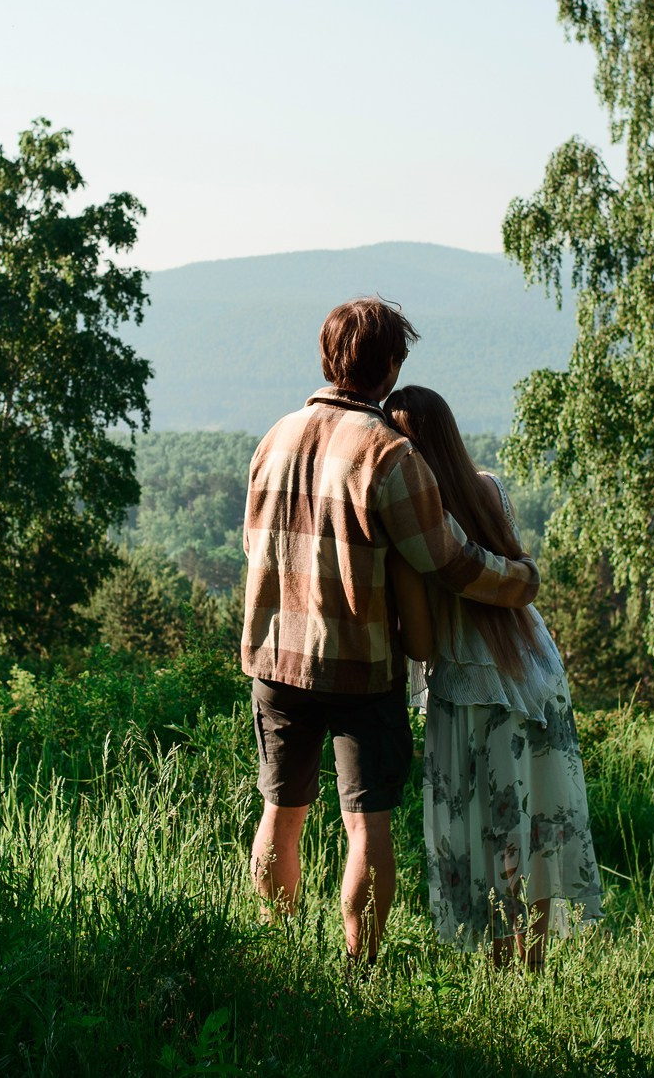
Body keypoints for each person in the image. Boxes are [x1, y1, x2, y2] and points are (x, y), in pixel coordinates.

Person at [241, 298, 541, 963]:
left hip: (273, 659)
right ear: (392, 365)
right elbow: (449, 561)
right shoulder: (389, 453)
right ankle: (359, 973)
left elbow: (252, 544)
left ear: (327, 358)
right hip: (358, 666)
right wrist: (519, 578)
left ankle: (273, 955)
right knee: (364, 826)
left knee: (279, 815)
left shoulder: (275, 436)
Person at [383, 384, 602, 968]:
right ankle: (533, 966)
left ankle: (507, 971)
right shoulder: (489, 490)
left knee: (489, 834)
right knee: (530, 828)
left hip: (471, 689)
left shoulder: (412, 529)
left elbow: (425, 642)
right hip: (533, 673)